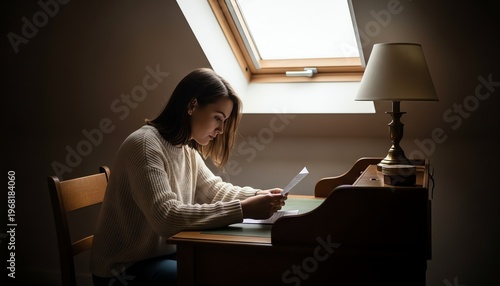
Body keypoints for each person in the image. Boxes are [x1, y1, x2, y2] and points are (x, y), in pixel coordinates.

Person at [90, 68, 286, 285]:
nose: (221, 129)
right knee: (214, 276)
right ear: (192, 106)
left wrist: (258, 194)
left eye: (225, 121)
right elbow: (166, 217)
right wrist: (244, 209)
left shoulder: (185, 149)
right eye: (218, 118)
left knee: (229, 264)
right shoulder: (145, 146)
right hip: (123, 269)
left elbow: (214, 191)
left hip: (162, 256)